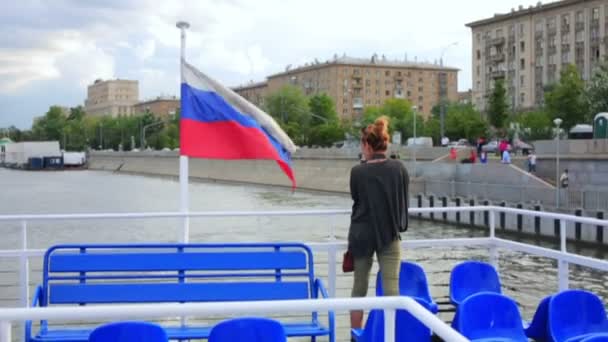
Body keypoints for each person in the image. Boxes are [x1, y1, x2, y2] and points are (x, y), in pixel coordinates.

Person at [348, 116, 408, 334]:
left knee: (359, 288)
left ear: (367, 144)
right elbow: (402, 197)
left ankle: (356, 334)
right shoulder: (399, 168)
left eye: (361, 145)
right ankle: (389, 335)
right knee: (392, 289)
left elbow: (357, 199)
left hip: (362, 235)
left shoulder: (357, 171)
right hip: (389, 233)